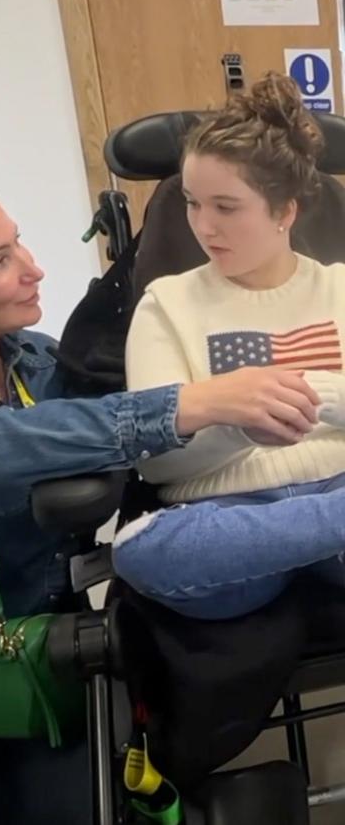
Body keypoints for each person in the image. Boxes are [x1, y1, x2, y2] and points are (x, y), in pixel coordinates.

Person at [0, 168, 318, 825]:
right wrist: (187, 404)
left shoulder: (47, 362)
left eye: (19, 242)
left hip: (51, 661)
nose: (35, 268)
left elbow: (149, 453)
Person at [115, 72, 345, 621]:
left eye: (226, 207)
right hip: (225, 512)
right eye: (193, 203)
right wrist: (238, 422)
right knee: (150, 556)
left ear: (285, 211)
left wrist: (313, 394)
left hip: (337, 481)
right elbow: (158, 464)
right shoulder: (165, 304)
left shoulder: (339, 288)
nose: (203, 226)